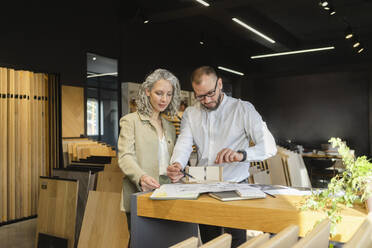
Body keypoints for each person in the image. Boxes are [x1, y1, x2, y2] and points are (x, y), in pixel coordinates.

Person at [167, 66, 277, 247]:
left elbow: (269, 147)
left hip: (235, 186)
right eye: (200, 96)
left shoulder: (243, 109)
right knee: (210, 241)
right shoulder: (191, 113)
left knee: (236, 241)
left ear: (219, 84)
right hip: (203, 185)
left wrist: (241, 155)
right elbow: (184, 144)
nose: (207, 100)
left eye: (210, 93)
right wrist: (177, 164)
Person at [118, 69, 180, 218]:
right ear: (147, 91)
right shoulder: (131, 121)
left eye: (169, 94)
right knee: (143, 241)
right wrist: (141, 177)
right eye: (159, 93)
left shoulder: (170, 126)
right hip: (141, 193)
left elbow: (171, 159)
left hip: (168, 192)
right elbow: (125, 156)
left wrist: (177, 170)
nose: (164, 99)